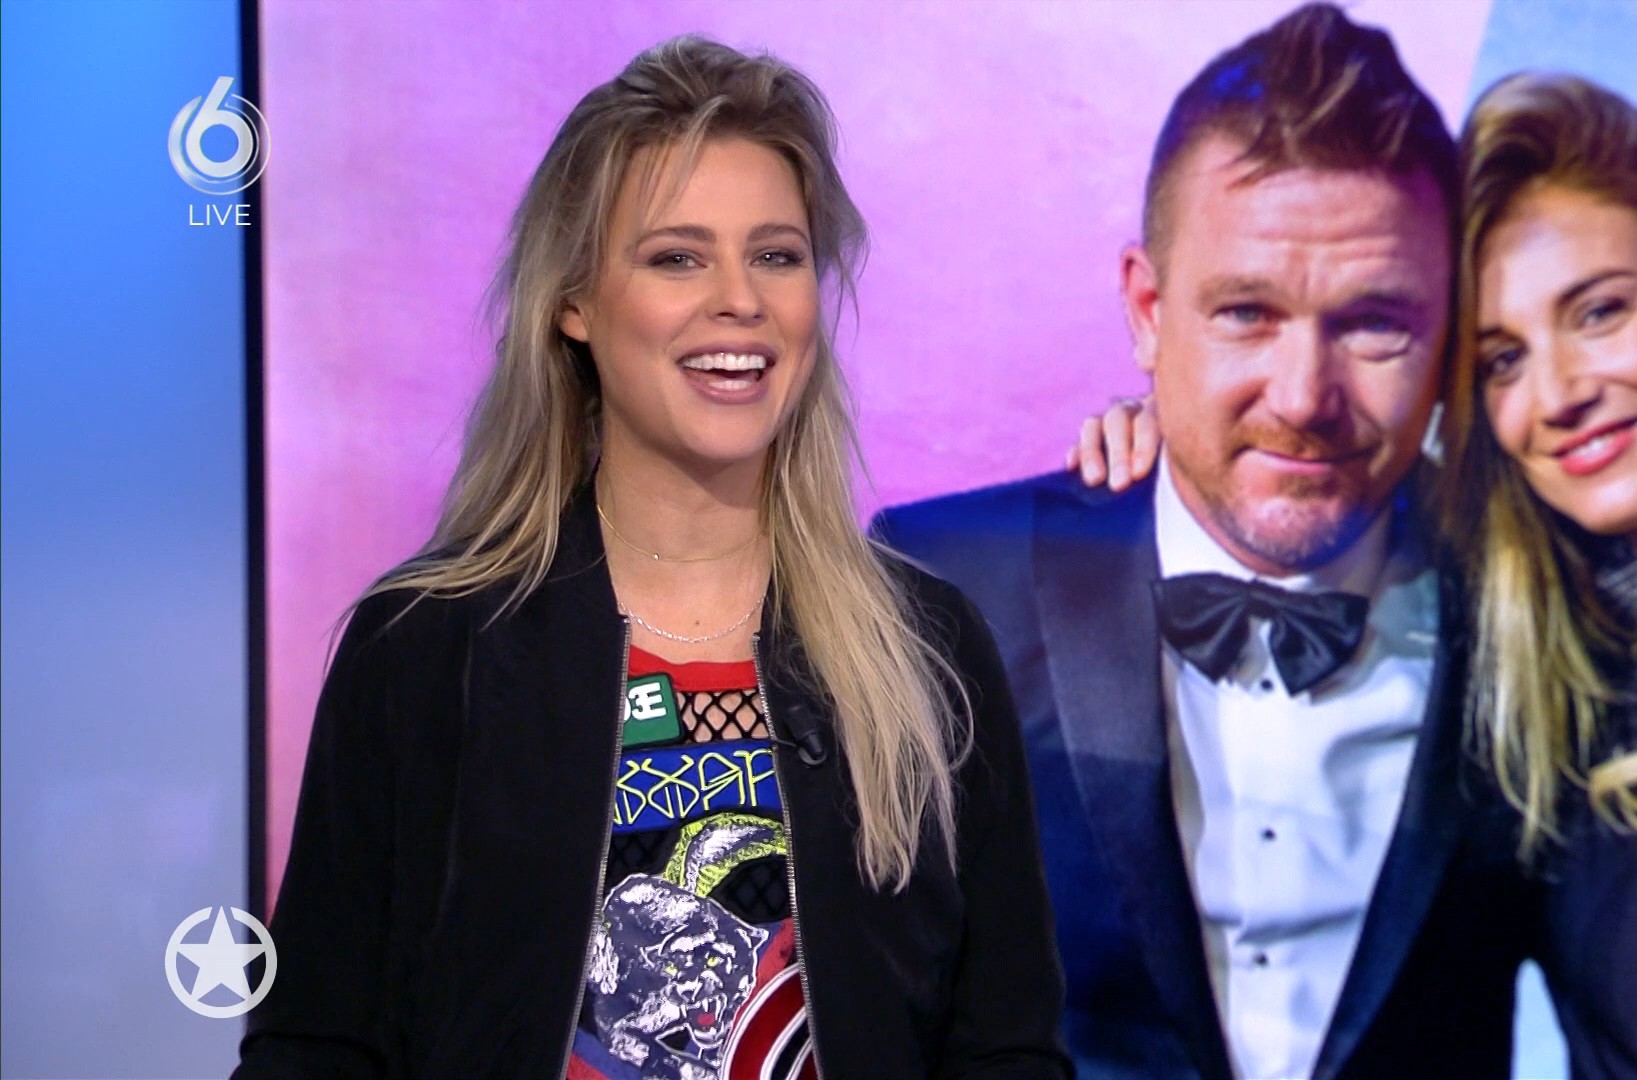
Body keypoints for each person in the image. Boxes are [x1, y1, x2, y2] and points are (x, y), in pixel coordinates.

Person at [235, 36, 1068, 1080]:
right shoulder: (426, 647)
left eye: (777, 255)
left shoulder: (928, 648)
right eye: (678, 257)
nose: (740, 299)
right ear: (574, 303)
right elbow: (318, 1047)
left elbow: (1005, 1050)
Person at [1079, 70, 1637, 1080]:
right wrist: (1202, 451)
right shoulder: (1567, 659)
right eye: (1502, 360)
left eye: (1600, 311)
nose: (1558, 394)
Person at [875, 7, 1530, 1079]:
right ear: (1148, 309)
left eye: (1375, 322)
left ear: (1449, 326)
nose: (1303, 397)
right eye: (1246, 313)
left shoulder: (1540, 612)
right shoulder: (942, 590)